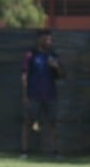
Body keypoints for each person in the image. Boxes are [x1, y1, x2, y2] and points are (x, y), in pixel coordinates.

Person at [21, 29, 66, 159]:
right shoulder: (31, 55)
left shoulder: (53, 55)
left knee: (52, 123)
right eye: (46, 39)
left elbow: (64, 75)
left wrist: (56, 67)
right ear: (39, 39)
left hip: (50, 95)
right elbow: (24, 75)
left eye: (50, 39)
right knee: (28, 122)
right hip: (33, 94)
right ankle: (25, 151)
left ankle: (55, 151)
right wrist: (25, 94)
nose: (48, 42)